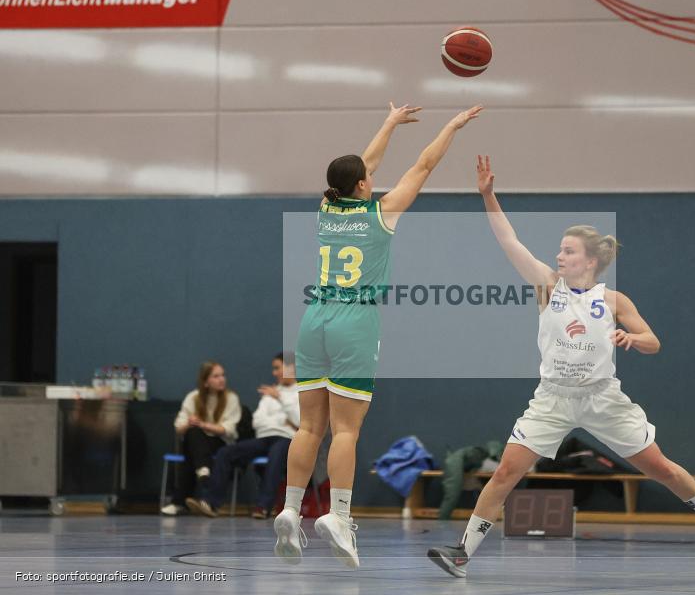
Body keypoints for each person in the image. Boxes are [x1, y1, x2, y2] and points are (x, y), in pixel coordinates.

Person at [426, 156, 695, 578]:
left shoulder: (614, 300)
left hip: (601, 398)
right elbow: (509, 240)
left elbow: (654, 342)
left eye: (567, 250)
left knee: (659, 467)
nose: (559, 255)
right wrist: (488, 195)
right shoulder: (547, 286)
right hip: (553, 398)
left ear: (590, 261)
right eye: (560, 250)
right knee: (506, 470)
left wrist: (633, 338)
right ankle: (462, 554)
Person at [273, 102, 483, 567]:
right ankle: (339, 516)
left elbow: (363, 165)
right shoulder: (381, 212)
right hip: (355, 322)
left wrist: (387, 123)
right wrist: (451, 125)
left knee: (310, 426)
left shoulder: (327, 207)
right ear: (364, 186)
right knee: (346, 429)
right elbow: (423, 164)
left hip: (313, 319)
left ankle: (290, 508)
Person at [185, 352, 300, 519]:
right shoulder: (269, 393)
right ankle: (211, 503)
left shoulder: (301, 392)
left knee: (276, 455)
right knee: (226, 452)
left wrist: (280, 398)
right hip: (264, 438)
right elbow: (257, 421)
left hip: (287, 439)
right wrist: (284, 420)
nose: (274, 373)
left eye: (277, 368)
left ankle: (263, 506)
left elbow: (300, 421)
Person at [161, 361, 241, 516]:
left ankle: (178, 501)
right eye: (216, 376)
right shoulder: (193, 397)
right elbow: (179, 427)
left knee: (192, 450)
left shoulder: (231, 398)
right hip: (196, 442)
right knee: (192, 433)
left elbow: (227, 430)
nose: (222, 379)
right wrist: (190, 423)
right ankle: (203, 472)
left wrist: (203, 424)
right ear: (205, 382)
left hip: (221, 442)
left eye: (223, 375)